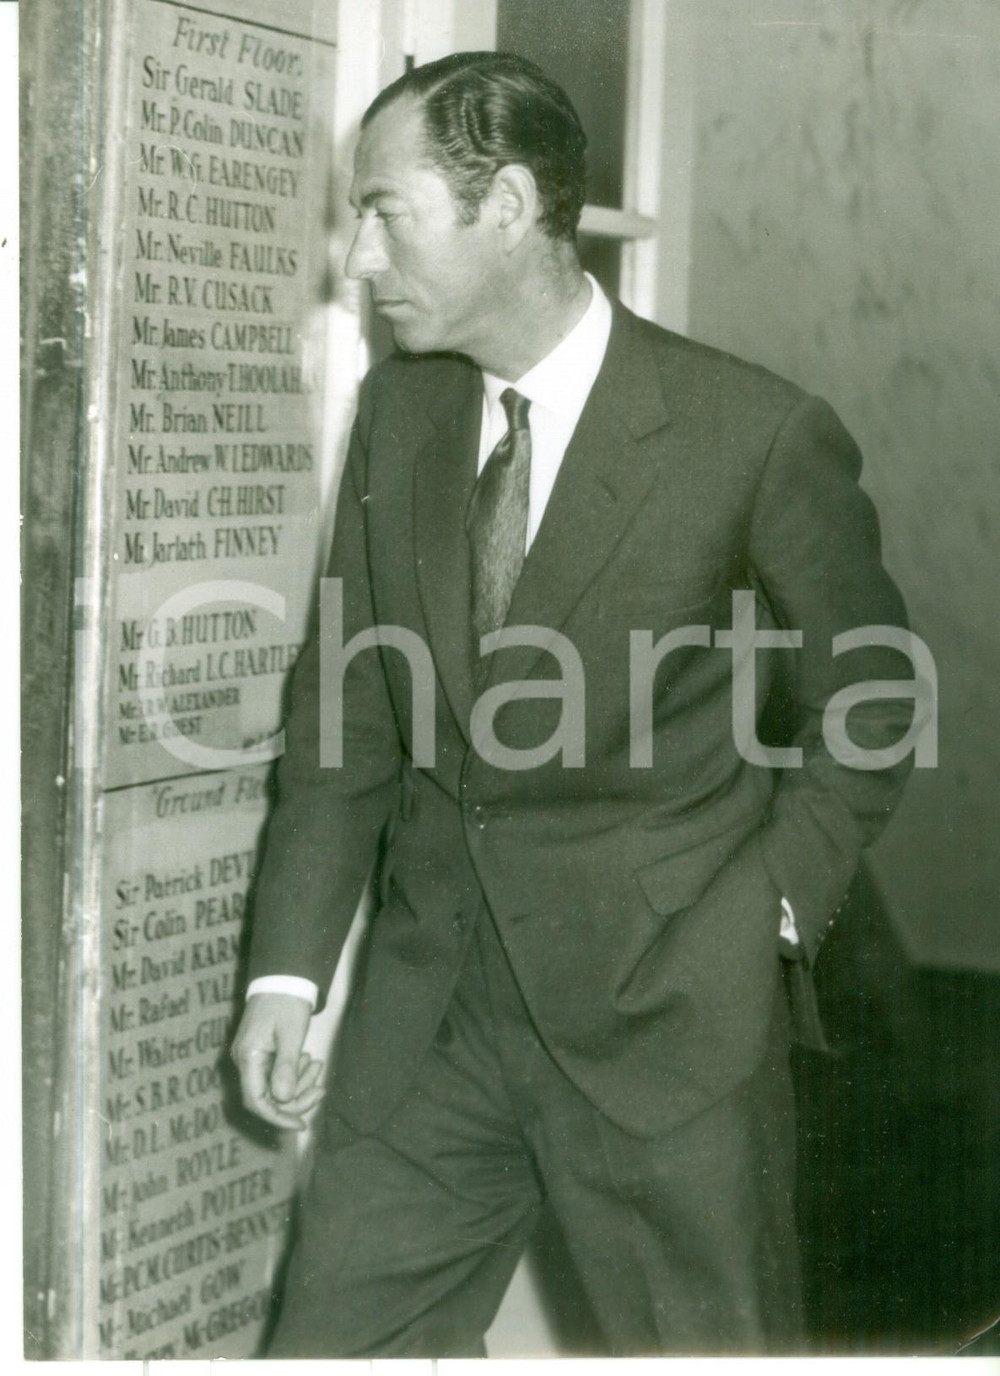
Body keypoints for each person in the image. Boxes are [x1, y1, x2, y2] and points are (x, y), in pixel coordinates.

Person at [232, 51, 914, 1356]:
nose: (360, 256)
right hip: (431, 1024)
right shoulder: (399, 414)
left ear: (507, 207)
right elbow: (349, 712)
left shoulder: (751, 433)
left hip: (670, 1026)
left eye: (388, 211)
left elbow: (873, 696)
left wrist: (770, 903)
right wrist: (285, 971)